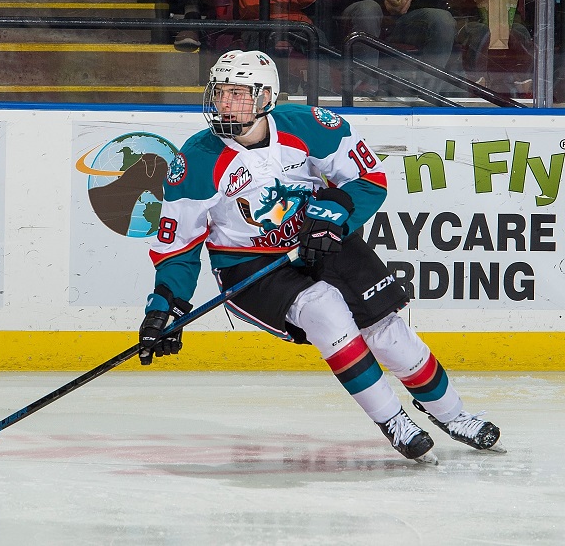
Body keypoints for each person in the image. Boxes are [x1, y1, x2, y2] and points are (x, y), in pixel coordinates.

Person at [138, 49, 506, 463]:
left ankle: (453, 414)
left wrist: (337, 213)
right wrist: (163, 309)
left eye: (238, 94)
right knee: (324, 308)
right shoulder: (195, 163)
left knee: (388, 332)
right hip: (250, 265)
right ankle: (392, 419)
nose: (225, 103)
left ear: (266, 98)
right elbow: (179, 249)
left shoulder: (313, 127)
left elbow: (369, 180)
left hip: (323, 236)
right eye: (220, 92)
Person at [338, 0, 459, 93]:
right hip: (361, 9)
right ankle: (363, 90)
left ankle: (427, 95)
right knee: (368, 9)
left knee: (442, 19)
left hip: (407, 18)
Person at [447, 0, 534, 90]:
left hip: (506, 20)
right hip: (469, 20)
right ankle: (476, 84)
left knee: (520, 31)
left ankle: (525, 86)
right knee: (481, 33)